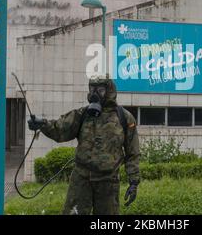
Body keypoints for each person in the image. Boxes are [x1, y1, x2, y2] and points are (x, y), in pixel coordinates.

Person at [27, 75, 140, 215]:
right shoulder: (82, 114)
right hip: (81, 179)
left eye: (100, 90)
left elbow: (132, 152)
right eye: (92, 89)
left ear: (109, 91)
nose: (95, 94)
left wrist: (134, 182)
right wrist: (41, 124)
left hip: (108, 182)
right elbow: (60, 129)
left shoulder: (124, 117)